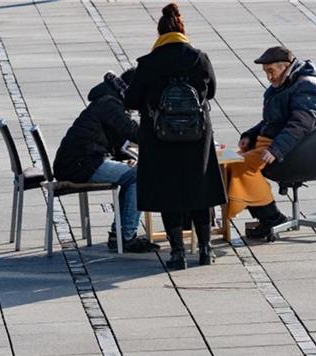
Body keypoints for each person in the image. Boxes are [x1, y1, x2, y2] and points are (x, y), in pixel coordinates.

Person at [123, 3, 224, 270]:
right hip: (196, 137)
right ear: (182, 29)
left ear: (159, 34)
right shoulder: (199, 58)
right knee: (198, 189)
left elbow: (131, 99)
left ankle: (177, 252)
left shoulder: (148, 63)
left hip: (160, 138)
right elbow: (211, 92)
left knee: (169, 192)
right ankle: (205, 249)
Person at [226, 46, 316, 238]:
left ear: (285, 66)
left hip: (290, 150)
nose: (269, 77)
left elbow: (300, 123)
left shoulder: (307, 85)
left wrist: (276, 149)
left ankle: (272, 218)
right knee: (229, 163)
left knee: (242, 167)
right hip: (271, 143)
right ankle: (265, 219)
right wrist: (250, 135)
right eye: (266, 72)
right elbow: (271, 121)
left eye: (271, 71)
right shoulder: (285, 83)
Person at [53, 69, 158, 253]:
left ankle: (120, 234)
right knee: (140, 176)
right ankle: (126, 237)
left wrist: (127, 157)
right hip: (81, 164)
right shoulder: (110, 104)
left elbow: (117, 142)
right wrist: (159, 133)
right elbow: (133, 132)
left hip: (80, 161)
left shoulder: (110, 100)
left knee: (131, 176)